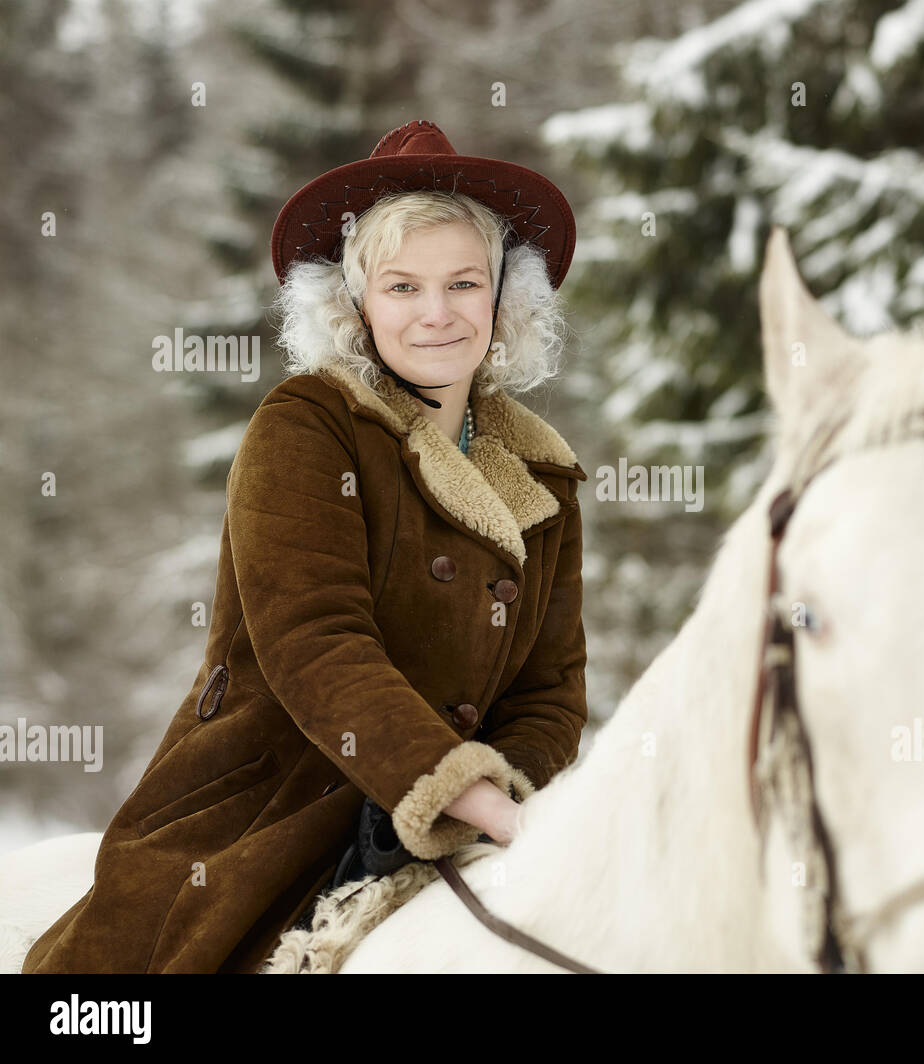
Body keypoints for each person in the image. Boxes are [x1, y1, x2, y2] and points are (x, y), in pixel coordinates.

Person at [22, 120, 589, 974]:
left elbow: (553, 689)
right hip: (266, 817)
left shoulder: (544, 473)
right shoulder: (307, 426)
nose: (437, 314)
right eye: (402, 287)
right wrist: (453, 785)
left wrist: (504, 799)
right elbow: (315, 644)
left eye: (463, 283)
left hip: (468, 818)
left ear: (502, 299)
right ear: (354, 303)